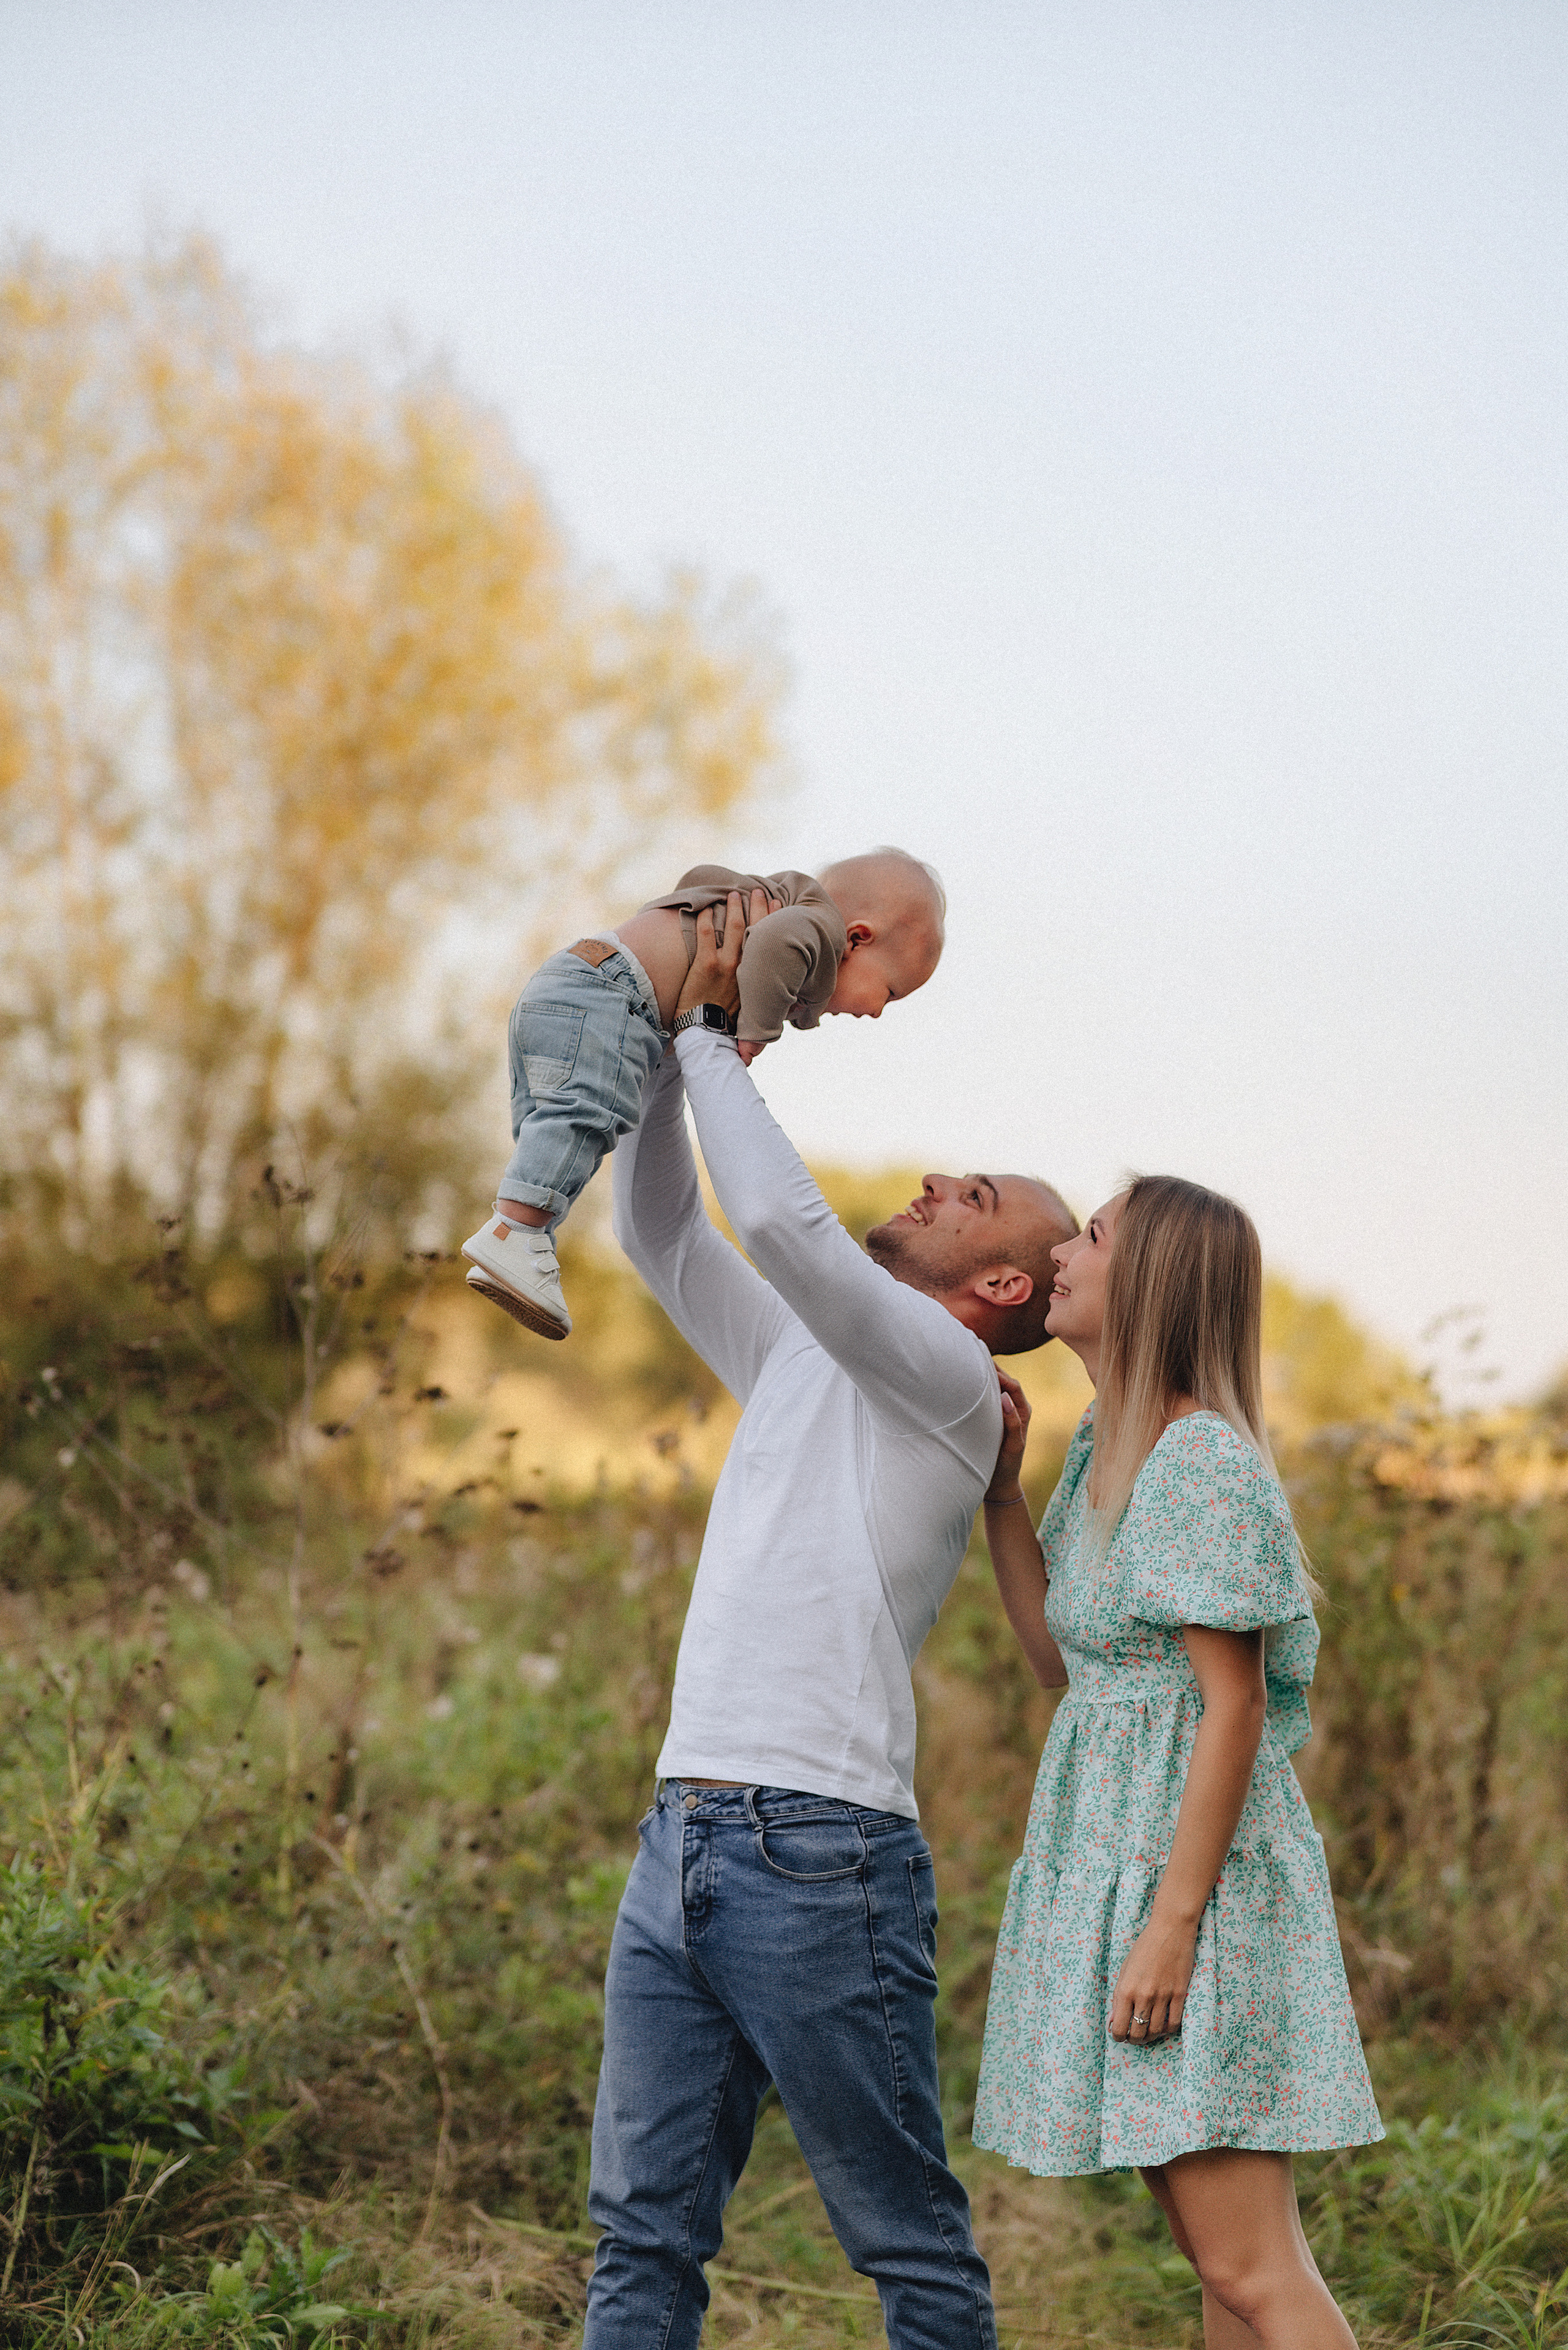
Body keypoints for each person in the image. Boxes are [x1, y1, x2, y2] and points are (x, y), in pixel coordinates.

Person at [585, 892, 1077, 2350]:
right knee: (639, 2238)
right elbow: (667, 1229)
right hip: (680, 1835)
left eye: (972, 1194)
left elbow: (788, 1228)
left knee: (905, 2247)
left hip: (819, 1857)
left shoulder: (936, 1373)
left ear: (994, 1289)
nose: (936, 1176)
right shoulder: (813, 1349)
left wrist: (715, 1030)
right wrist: (676, 1041)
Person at [972, 1175, 1383, 2350]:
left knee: (1255, 2266)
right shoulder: (1110, 1438)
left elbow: (1235, 1704)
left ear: (1147, 1279)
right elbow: (1063, 1656)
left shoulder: (1200, 1456)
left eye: (1092, 1236)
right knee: (1222, 2265)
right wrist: (1005, 1492)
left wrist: (1172, 1921)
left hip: (1189, 1885)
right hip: (1118, 1863)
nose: (1063, 1249)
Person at [460, 848, 945, 1340]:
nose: (881, 1012)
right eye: (891, 991)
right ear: (858, 938)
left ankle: (522, 1235)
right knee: (586, 1113)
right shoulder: (818, 927)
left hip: (569, 976)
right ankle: (513, 1232)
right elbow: (779, 946)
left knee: (549, 1120)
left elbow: (699, 878)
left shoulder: (764, 896)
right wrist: (755, 1032)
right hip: (615, 995)